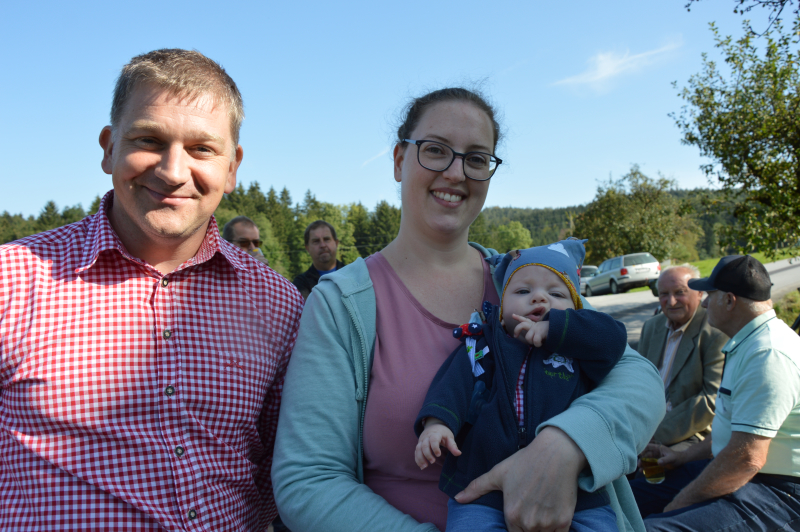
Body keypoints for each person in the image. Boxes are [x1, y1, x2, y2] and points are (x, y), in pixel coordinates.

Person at [272, 87, 665, 532]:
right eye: (436, 150)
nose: (456, 172)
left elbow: (639, 382)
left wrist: (564, 445)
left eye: (477, 158)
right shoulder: (342, 303)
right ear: (400, 160)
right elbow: (307, 480)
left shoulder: (524, 278)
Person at [0, 49, 303, 531]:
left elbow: (286, 470)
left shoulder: (278, 304)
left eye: (202, 149)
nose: (172, 170)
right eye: (149, 139)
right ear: (108, 148)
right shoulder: (13, 280)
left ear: (232, 166)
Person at [415, 240, 627, 532]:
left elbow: (613, 339)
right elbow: (455, 383)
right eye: (523, 291)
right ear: (502, 308)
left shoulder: (579, 349)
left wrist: (556, 329)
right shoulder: (485, 343)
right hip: (483, 487)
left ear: (577, 308)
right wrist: (437, 424)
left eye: (556, 293)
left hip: (575, 491)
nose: (540, 299)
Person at [630, 255, 800, 532]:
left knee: (654, 527)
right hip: (748, 473)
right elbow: (732, 430)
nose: (705, 302)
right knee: (630, 500)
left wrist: (676, 506)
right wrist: (682, 457)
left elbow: (747, 459)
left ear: (730, 301)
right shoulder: (748, 341)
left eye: (710, 294)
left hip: (780, 490)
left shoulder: (768, 353)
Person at [637, 265, 727, 451]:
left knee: (642, 477)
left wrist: (655, 433)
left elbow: (712, 399)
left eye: (680, 292)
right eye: (664, 294)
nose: (671, 302)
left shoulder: (715, 333)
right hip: (643, 426)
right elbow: (636, 383)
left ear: (700, 293)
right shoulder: (651, 327)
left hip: (689, 433)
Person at [292, 220, 344, 299]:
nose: (322, 245)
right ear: (307, 248)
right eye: (316, 241)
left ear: (336, 243)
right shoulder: (301, 284)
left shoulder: (353, 275)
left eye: (326, 239)